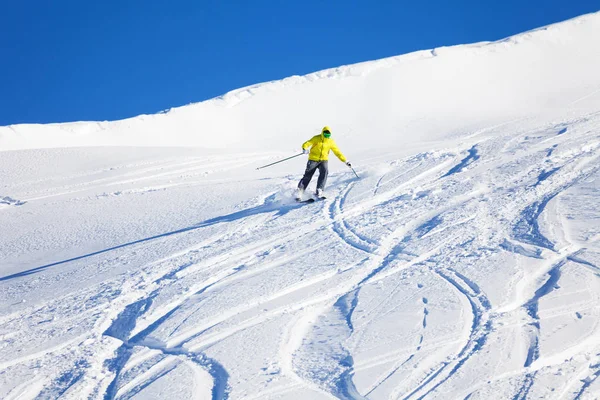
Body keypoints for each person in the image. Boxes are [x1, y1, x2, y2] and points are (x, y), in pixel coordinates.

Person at [296, 126, 351, 199]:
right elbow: (307, 143)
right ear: (322, 132)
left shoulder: (331, 142)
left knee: (324, 172)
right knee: (308, 175)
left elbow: (337, 152)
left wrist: (345, 161)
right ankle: (300, 191)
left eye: (328, 134)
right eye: (325, 133)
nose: (326, 135)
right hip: (313, 159)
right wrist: (304, 148)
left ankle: (319, 190)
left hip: (323, 160)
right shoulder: (316, 138)